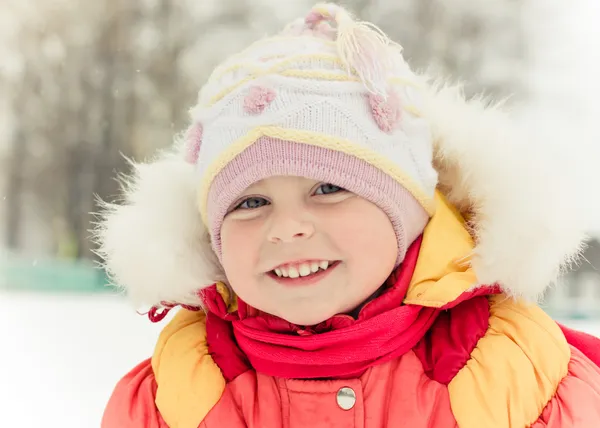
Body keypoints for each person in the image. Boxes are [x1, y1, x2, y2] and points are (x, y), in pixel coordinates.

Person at [97, 3, 600, 427]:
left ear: (406, 215)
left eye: (329, 188)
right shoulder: (180, 389)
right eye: (251, 202)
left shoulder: (508, 368)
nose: (289, 226)